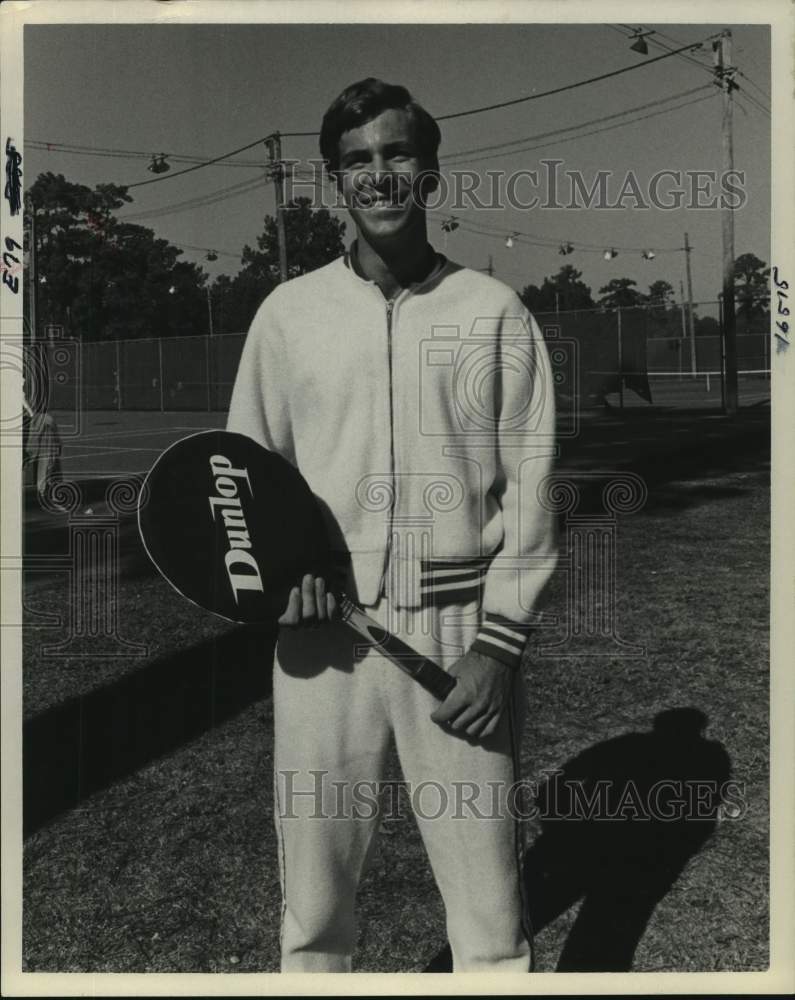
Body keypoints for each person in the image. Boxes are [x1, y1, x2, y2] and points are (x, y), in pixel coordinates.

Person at [227, 78, 558, 972]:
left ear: (431, 171)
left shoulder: (492, 311)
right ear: (336, 180)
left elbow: (531, 491)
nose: (378, 175)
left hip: (456, 638)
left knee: (489, 920)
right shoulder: (287, 315)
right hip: (321, 638)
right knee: (314, 911)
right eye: (357, 160)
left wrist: (497, 649)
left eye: (397, 153)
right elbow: (243, 482)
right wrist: (276, 583)